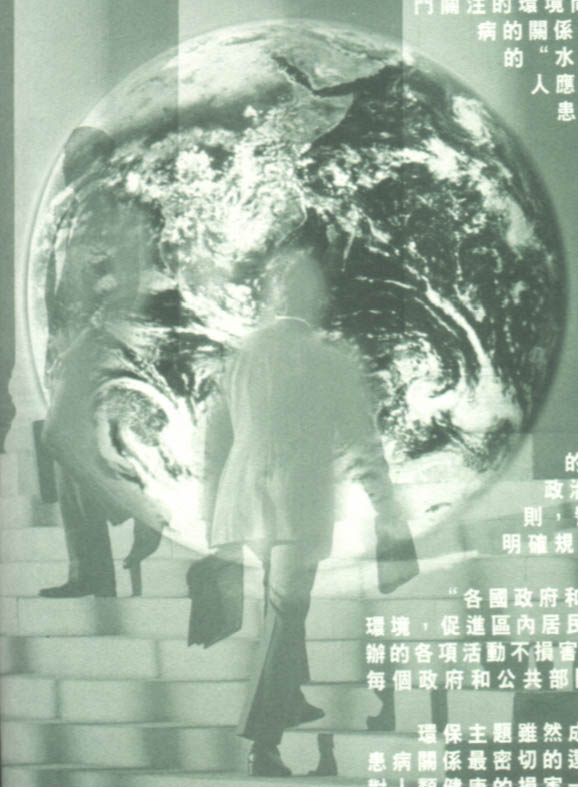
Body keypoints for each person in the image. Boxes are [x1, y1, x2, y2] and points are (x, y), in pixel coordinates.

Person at [202, 246, 418, 777]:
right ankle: (263, 743)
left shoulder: (238, 353)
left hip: (243, 502)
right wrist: (388, 509)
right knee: (283, 613)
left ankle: (291, 697)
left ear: (273, 297)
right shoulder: (327, 357)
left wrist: (213, 518)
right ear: (315, 298)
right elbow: (363, 443)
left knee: (281, 606)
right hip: (296, 505)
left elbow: (214, 440)